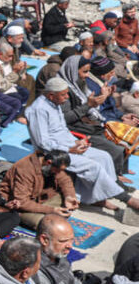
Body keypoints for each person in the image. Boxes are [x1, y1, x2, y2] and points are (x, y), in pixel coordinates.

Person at [27, 77, 139, 212]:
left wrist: (77, 142)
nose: (67, 97)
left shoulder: (54, 105)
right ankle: (126, 199)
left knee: (104, 157)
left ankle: (97, 198)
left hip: (69, 145)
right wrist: (69, 149)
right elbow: (42, 142)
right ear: (51, 95)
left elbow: (62, 129)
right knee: (93, 166)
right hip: (54, 152)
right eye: (63, 95)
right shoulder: (38, 110)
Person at [0, 149, 78, 229]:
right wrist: (52, 210)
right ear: (49, 163)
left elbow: (65, 180)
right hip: (20, 206)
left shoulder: (50, 165)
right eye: (58, 170)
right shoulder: (25, 169)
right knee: (45, 224)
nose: (59, 173)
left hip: (40, 199)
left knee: (65, 206)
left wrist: (69, 196)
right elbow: (22, 202)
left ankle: (50, 213)